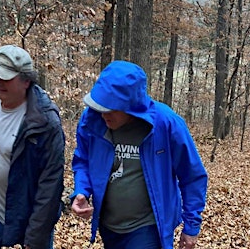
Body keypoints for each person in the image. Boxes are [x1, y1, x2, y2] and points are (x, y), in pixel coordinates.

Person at [70, 60, 208, 249]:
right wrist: (81, 190)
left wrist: (192, 225)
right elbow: (83, 160)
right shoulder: (92, 120)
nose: (104, 114)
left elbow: (192, 175)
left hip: (148, 226)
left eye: (110, 109)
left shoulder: (165, 123)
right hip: (109, 225)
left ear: (130, 106)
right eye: (101, 107)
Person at [0, 45, 65, 249]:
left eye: (6, 77)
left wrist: (35, 236)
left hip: (32, 218)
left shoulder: (45, 121)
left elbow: (50, 184)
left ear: (26, 81)